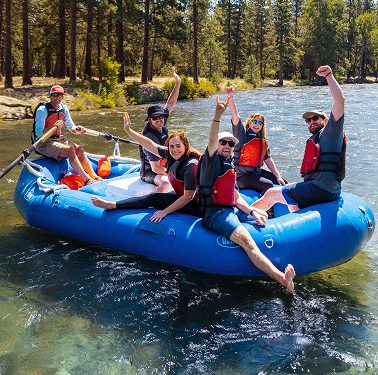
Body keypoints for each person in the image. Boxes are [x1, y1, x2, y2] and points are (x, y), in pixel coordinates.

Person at [197, 96, 295, 291]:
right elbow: (211, 139)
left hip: (231, 208)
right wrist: (217, 116)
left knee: (263, 213)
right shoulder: (211, 161)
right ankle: (282, 279)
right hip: (216, 214)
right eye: (222, 142)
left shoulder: (229, 165)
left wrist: (251, 211)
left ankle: (256, 216)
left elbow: (234, 196)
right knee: (248, 243)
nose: (226, 146)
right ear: (217, 145)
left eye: (230, 144)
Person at [252, 65, 345, 213]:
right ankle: (294, 222)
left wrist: (329, 76)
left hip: (322, 188)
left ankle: (241, 220)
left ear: (325, 120)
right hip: (323, 187)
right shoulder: (316, 138)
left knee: (272, 193)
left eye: (315, 118)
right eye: (308, 120)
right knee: (291, 197)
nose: (311, 121)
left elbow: (339, 100)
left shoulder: (331, 131)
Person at [91, 112, 202, 222]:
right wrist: (128, 130)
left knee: (153, 198)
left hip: (197, 205)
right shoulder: (172, 153)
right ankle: (114, 204)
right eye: (171, 146)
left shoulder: (191, 164)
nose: (175, 150)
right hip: (183, 196)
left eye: (178, 146)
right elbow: (149, 144)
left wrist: (165, 212)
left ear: (185, 146)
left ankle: (113, 205)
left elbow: (188, 196)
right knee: (156, 197)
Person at [32, 85, 101, 184]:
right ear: (49, 96)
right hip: (43, 143)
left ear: (63, 97)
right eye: (55, 95)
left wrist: (78, 129)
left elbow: (71, 127)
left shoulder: (63, 108)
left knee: (79, 149)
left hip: (58, 139)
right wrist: (53, 127)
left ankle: (94, 176)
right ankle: (87, 180)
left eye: (60, 95)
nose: (57, 98)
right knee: (70, 150)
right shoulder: (42, 110)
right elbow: (38, 133)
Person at [226, 86, 286, 193]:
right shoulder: (242, 135)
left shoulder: (262, 141)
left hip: (255, 173)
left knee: (284, 182)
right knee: (268, 185)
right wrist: (230, 96)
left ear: (262, 126)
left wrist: (278, 176)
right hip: (241, 177)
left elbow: (268, 160)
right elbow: (235, 116)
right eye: (254, 121)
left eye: (260, 123)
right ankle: (267, 210)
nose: (257, 124)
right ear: (249, 123)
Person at [140, 68, 181, 192]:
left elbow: (170, 103)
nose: (160, 120)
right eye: (155, 118)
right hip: (149, 171)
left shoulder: (161, 124)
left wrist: (178, 82)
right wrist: (176, 175)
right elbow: (156, 168)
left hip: (165, 164)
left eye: (161, 117)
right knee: (164, 182)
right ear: (149, 120)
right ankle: (157, 206)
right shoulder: (149, 137)